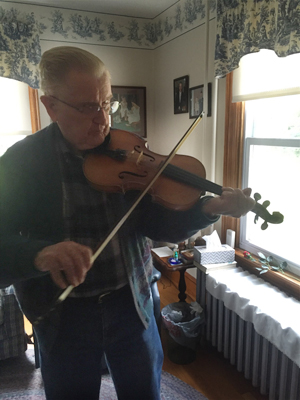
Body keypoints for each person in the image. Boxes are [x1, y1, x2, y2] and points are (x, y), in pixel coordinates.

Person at [0, 46, 255, 400]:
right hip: (65, 315)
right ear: (51, 106)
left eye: (107, 103)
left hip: (133, 302)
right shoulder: (19, 163)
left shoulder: (129, 153)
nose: (102, 120)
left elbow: (160, 224)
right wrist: (40, 254)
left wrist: (208, 208)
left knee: (143, 393)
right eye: (87, 107)